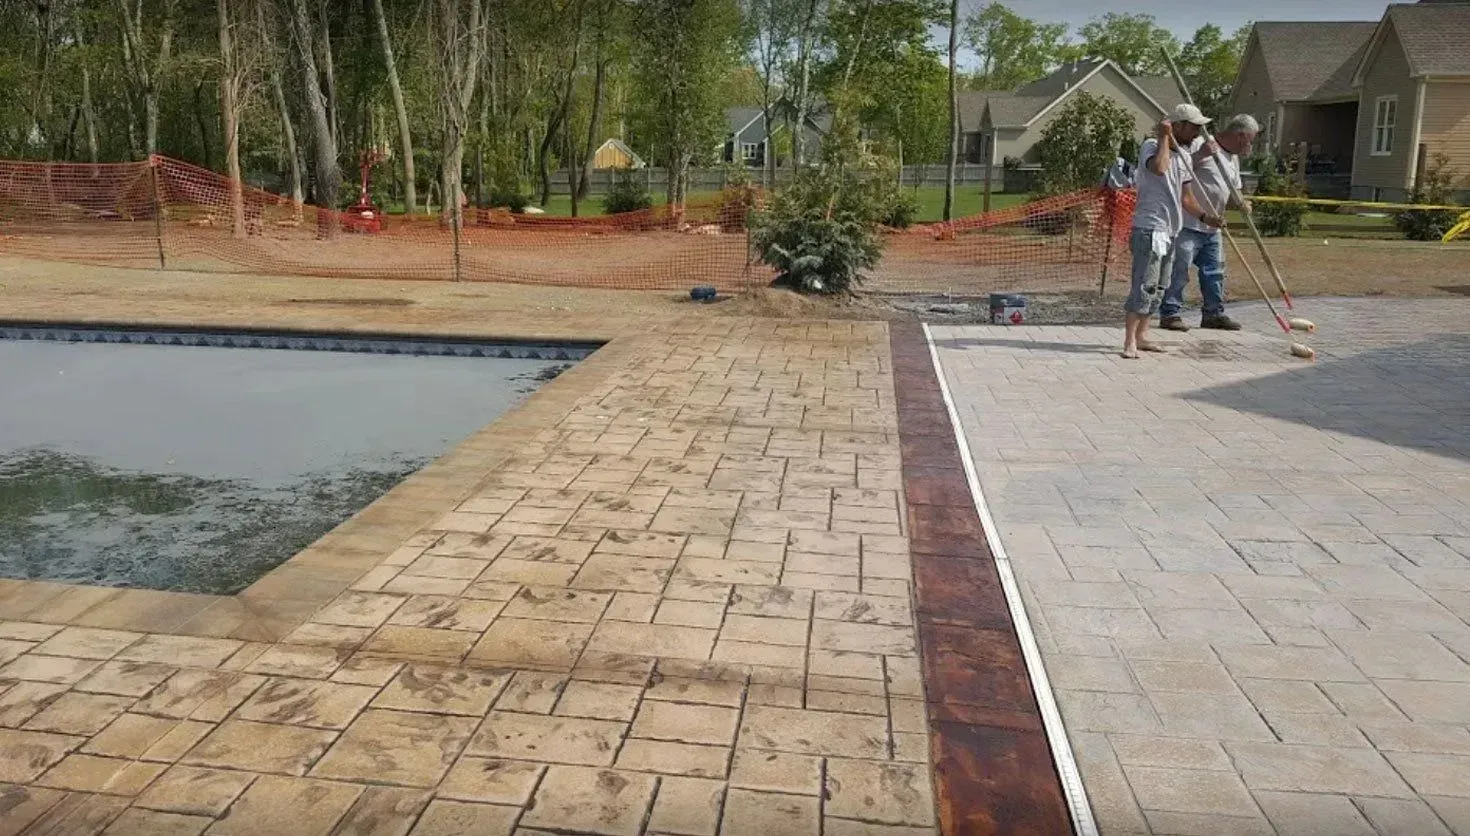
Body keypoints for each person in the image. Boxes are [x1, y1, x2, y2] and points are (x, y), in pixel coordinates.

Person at [1123, 103, 1223, 359]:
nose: (1197, 132)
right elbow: (1160, 168)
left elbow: (1186, 197)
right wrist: (1163, 138)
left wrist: (1205, 217)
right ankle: (1129, 340)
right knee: (1144, 284)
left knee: (1160, 286)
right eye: (1193, 127)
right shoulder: (1151, 146)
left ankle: (1143, 335)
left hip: (1171, 230)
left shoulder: (1186, 157)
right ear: (1177, 126)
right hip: (1150, 227)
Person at [1160, 114, 1259, 332]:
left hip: (1214, 227)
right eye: (1250, 140)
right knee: (1179, 270)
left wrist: (1242, 203)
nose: (1250, 145)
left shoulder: (1232, 158)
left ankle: (1213, 314)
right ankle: (1169, 313)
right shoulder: (1201, 143)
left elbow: (1234, 189)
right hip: (1188, 223)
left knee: (1215, 272)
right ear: (1241, 136)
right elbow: (1178, 169)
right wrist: (1201, 155)